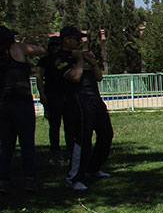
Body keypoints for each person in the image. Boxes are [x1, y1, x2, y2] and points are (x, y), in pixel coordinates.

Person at [55, 26, 114, 192]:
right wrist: (79, 60)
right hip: (79, 102)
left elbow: (99, 77)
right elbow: (74, 77)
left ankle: (93, 169)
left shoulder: (83, 57)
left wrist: (91, 60)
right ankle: (74, 178)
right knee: (83, 139)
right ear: (66, 39)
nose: (79, 42)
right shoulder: (60, 58)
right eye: (76, 39)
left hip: (95, 100)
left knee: (106, 134)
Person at [0, 26, 46, 194]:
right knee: (27, 143)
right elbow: (41, 50)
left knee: (5, 145)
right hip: (22, 102)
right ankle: (29, 180)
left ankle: (3, 181)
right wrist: (20, 44)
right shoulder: (17, 49)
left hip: (3, 103)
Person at [36, 35, 72, 162]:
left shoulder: (66, 58)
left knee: (69, 124)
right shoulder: (44, 60)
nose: (55, 47)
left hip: (66, 94)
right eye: (52, 45)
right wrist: (42, 94)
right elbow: (39, 77)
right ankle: (55, 150)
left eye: (57, 45)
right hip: (52, 94)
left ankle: (70, 149)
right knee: (54, 124)